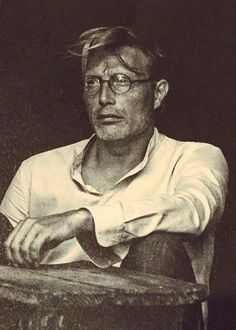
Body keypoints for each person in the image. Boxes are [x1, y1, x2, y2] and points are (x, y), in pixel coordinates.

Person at [0, 26, 228, 328]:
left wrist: (82, 219)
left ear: (158, 93)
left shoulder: (195, 158)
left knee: (156, 249)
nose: (104, 97)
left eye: (122, 81)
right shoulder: (36, 170)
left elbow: (194, 209)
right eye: (93, 82)